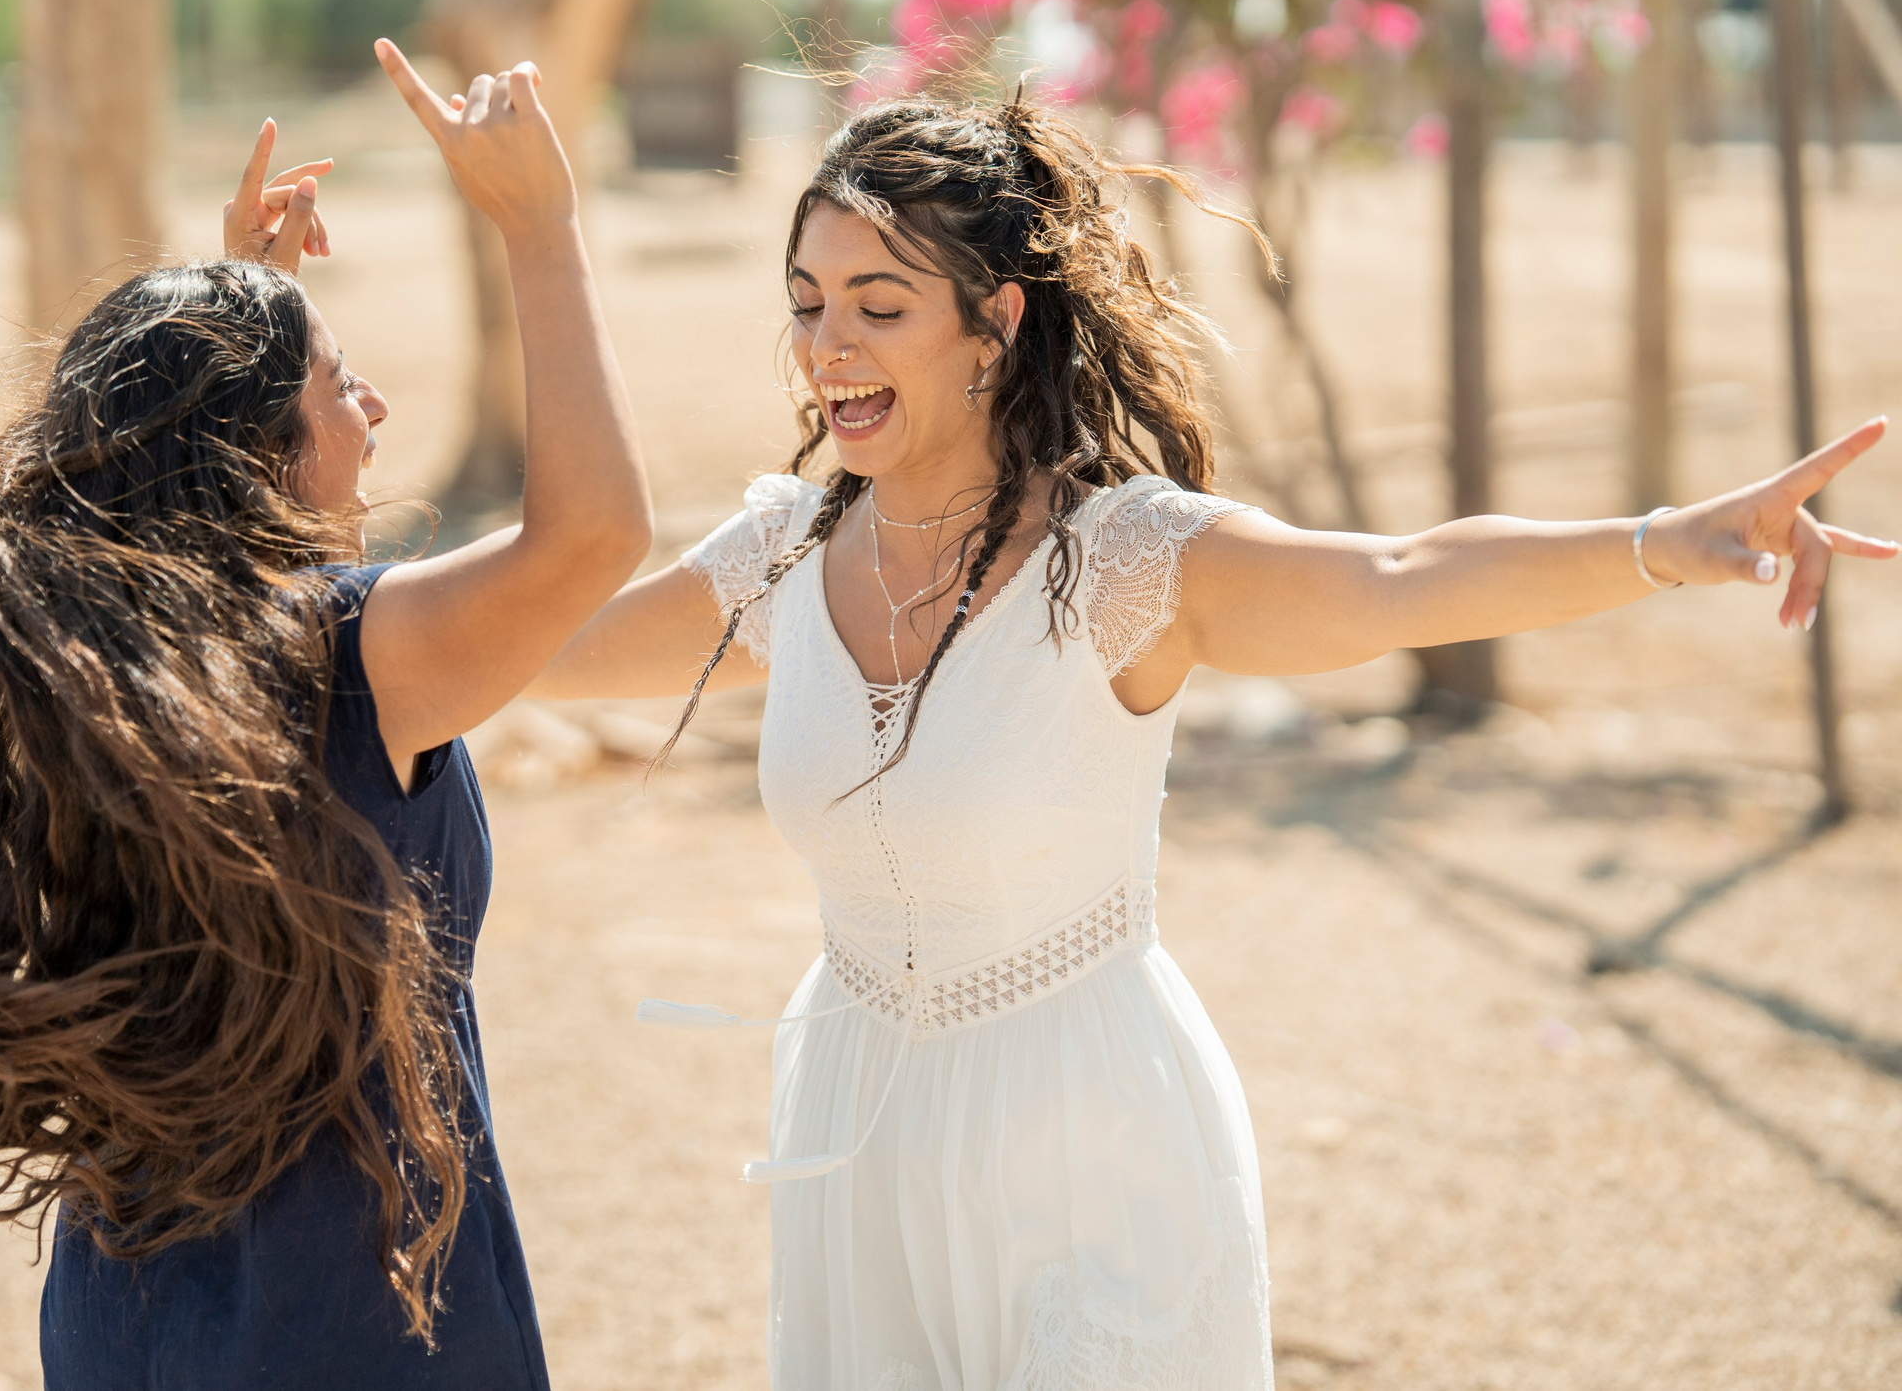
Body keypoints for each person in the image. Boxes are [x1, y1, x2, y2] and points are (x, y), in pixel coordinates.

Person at [530, 91, 1893, 1390]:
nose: (830, 348)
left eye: (880, 307)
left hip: (1089, 1140)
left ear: (995, 324)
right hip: (852, 1130)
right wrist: (314, 542)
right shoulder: (783, 550)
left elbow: (1403, 575)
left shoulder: (1122, 563)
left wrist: (1670, 545)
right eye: (809, 304)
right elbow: (525, 639)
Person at [0, 41, 650, 1389]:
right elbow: (594, 537)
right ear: (254, 453)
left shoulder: (82, 660)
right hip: (351, 1315)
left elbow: (191, 491)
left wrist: (247, 312)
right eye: (342, 388)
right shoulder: (352, 650)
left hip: (132, 1310)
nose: (376, 408)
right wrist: (539, 225)